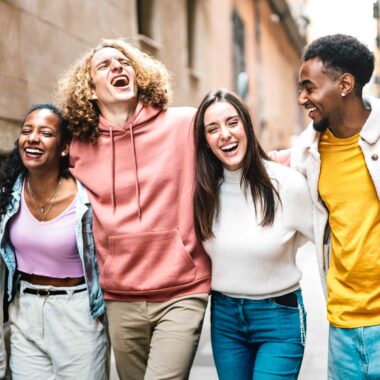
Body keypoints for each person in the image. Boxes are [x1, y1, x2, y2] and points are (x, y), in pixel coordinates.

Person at [56, 38, 211, 380]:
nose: (118, 67)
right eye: (105, 65)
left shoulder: (184, 124)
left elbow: (241, 154)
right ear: (90, 90)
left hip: (182, 289)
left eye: (124, 62)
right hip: (119, 295)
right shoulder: (79, 145)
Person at [273, 34, 380, 379]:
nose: (302, 98)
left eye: (309, 87)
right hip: (342, 326)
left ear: (345, 84)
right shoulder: (309, 153)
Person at [193, 90, 314, 379]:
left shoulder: (286, 184)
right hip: (225, 318)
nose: (225, 134)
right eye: (212, 129)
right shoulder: (203, 191)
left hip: (279, 317)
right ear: (205, 141)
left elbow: (324, 241)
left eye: (232, 122)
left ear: (247, 126)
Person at [0, 104, 109, 379]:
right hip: (24, 310)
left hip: (77, 314)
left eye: (45, 133)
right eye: (27, 131)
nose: (33, 138)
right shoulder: (8, 193)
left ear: (63, 148)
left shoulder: (86, 198)